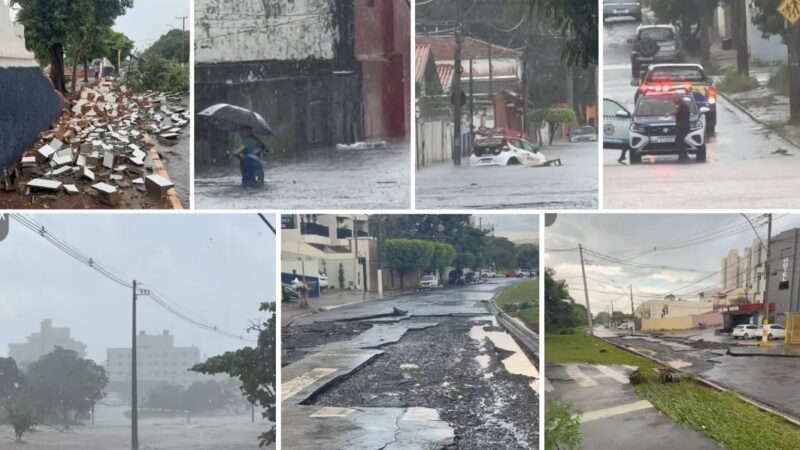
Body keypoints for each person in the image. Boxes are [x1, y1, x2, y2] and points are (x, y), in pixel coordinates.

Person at [672, 93, 690, 160]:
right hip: (685, 126)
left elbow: (677, 111)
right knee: (681, 141)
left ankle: (681, 155)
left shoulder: (681, 104)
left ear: (677, 98)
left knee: (678, 141)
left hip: (682, 126)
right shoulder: (683, 104)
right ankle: (684, 154)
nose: (673, 100)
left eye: (673, 99)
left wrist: (669, 114)